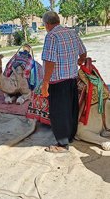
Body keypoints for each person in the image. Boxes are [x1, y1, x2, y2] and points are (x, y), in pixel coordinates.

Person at [41, 11, 87, 153]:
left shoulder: (51, 36)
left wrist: (45, 83)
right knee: (70, 110)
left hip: (57, 82)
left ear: (47, 24)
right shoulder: (71, 32)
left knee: (59, 112)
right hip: (71, 79)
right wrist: (79, 61)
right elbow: (83, 52)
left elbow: (49, 61)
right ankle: (70, 137)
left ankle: (62, 144)